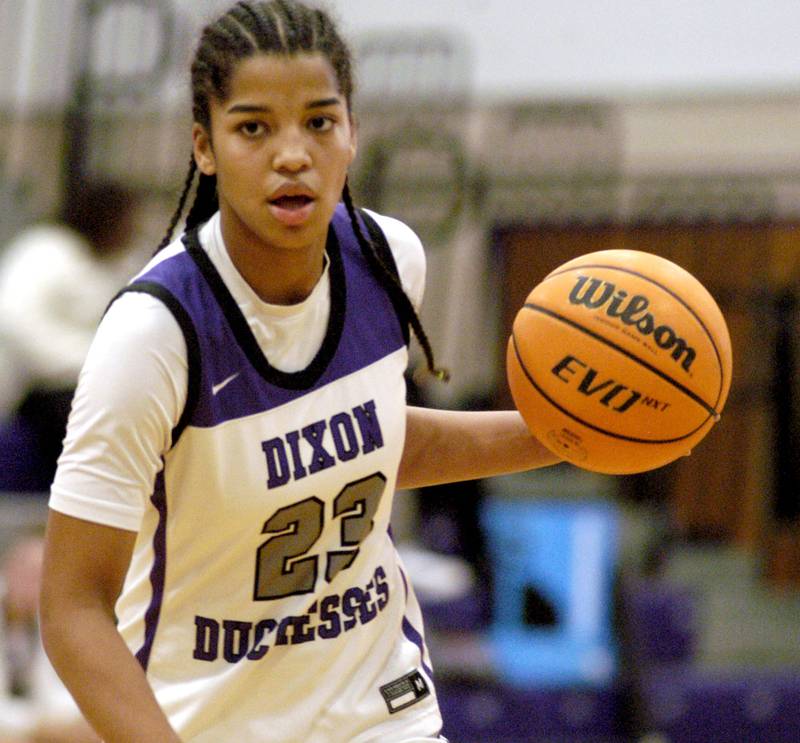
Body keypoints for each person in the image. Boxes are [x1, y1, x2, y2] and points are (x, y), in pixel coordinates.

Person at [39, 2, 561, 741]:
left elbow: (369, 444)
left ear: (353, 134)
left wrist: (570, 434)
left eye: (319, 121)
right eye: (254, 127)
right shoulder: (154, 333)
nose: (292, 154)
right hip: (208, 723)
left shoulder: (388, 261)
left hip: (382, 710)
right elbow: (72, 605)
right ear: (205, 146)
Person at [0, 180, 139, 492]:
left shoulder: (118, 265)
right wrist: (93, 360)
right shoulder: (46, 251)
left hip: (92, 382)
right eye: (127, 221)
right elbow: (16, 323)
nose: (133, 230)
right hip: (37, 389)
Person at [0, 532, 99, 742]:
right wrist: (36, 726)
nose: (34, 584)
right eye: (27, 574)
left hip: (25, 716)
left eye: (42, 576)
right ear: (8, 570)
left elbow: (50, 689)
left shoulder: (43, 617)